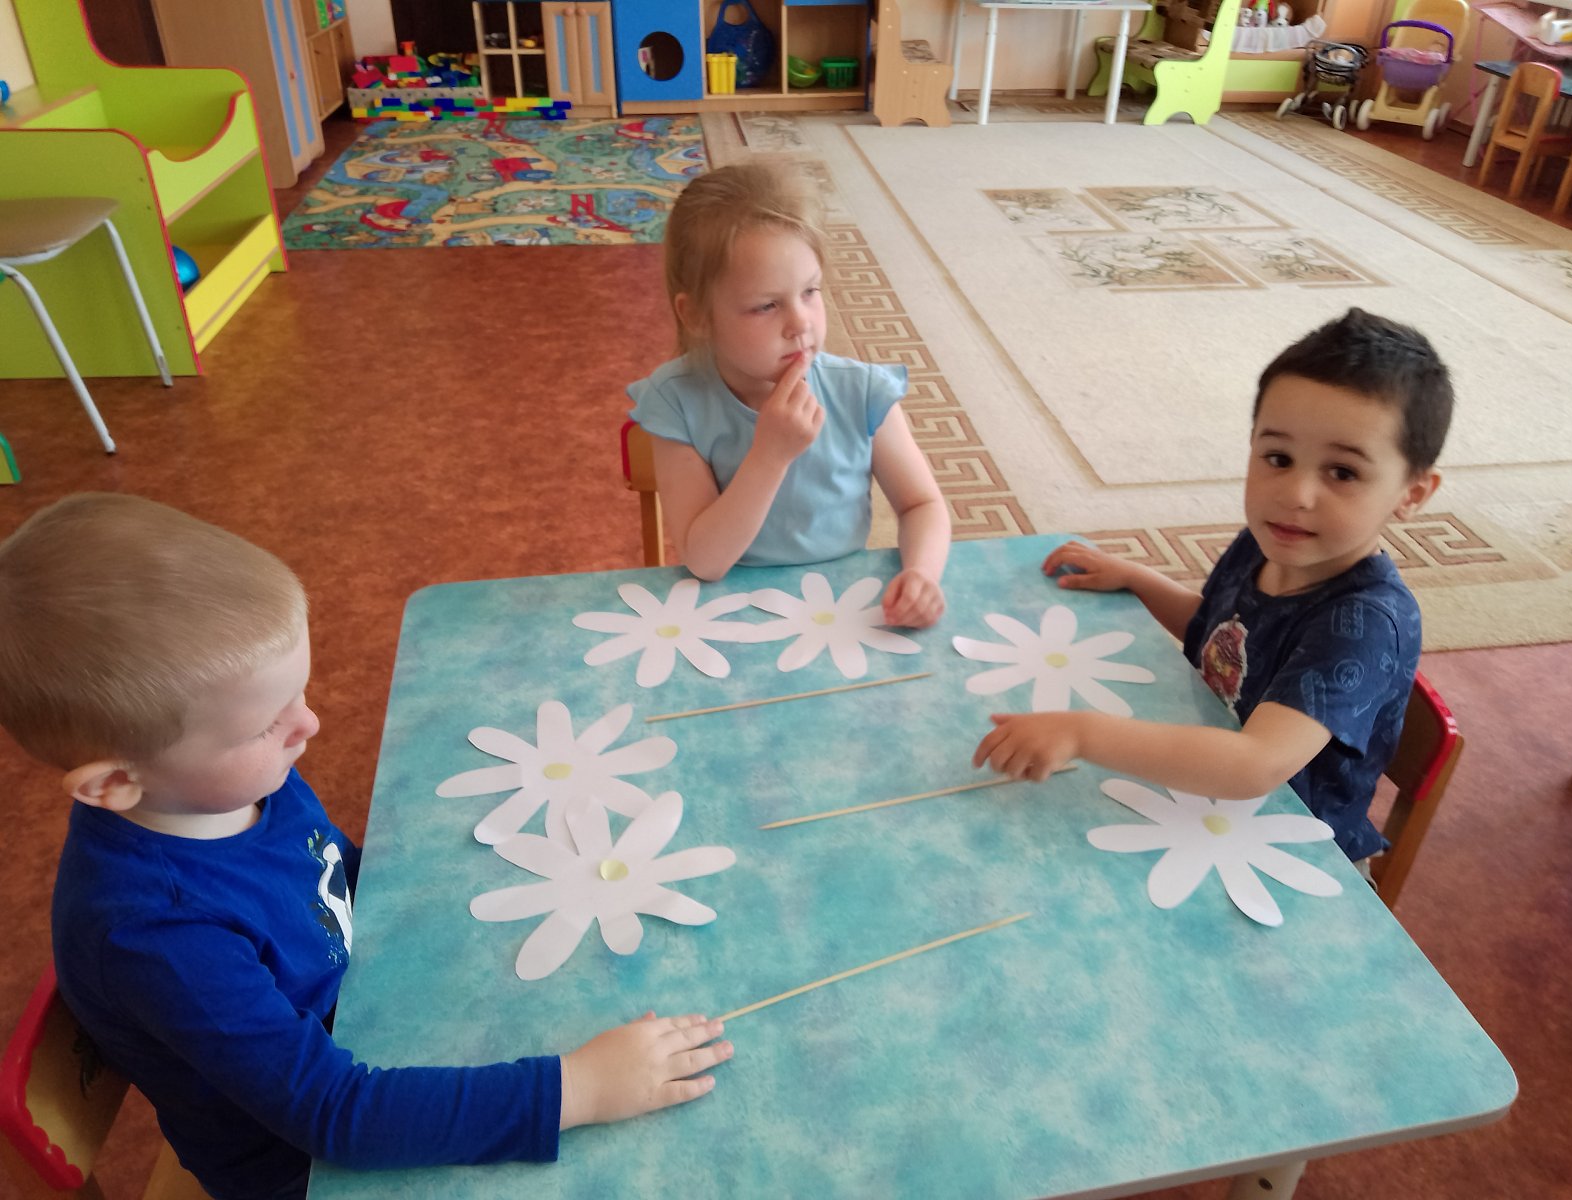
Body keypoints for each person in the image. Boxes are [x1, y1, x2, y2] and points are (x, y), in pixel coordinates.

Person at [0, 493, 732, 1200]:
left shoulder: (220, 785)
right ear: (114, 783)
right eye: (265, 724)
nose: (309, 725)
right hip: (304, 1163)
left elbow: (330, 879)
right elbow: (335, 1116)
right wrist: (582, 1088)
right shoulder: (157, 937)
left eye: (298, 693)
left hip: (375, 1015)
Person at [973, 308, 1453, 867]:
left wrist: (1081, 732)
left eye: (1342, 472)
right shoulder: (1271, 541)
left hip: (1294, 850)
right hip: (1205, 790)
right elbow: (1221, 636)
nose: (1295, 494)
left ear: (1412, 494)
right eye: (1278, 458)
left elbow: (1257, 764)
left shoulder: (1365, 625)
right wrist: (1139, 579)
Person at [628, 161, 950, 627]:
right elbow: (705, 561)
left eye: (810, 291)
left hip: (842, 610)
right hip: (728, 615)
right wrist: (770, 455)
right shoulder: (675, 402)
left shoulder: (861, 392)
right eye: (766, 305)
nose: (800, 322)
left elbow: (922, 504)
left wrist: (921, 572)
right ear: (696, 315)